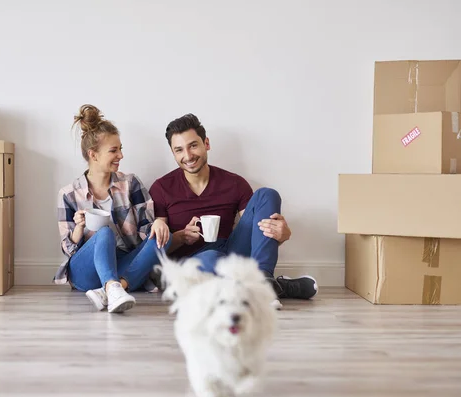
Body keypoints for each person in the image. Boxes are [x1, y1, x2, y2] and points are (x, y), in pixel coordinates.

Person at [148, 113, 318, 300]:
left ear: (206, 144)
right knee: (211, 258)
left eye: (193, 145)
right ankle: (274, 288)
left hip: (231, 253)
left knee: (267, 194)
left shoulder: (234, 183)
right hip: (192, 263)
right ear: (173, 153)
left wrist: (282, 236)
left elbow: (256, 233)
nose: (187, 156)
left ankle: (263, 278)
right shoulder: (162, 188)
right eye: (179, 150)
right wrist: (181, 237)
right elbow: (157, 249)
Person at [54, 104, 172, 313]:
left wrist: (158, 225)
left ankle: (111, 290)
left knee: (164, 236)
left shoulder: (131, 183)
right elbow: (67, 249)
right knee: (104, 233)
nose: (120, 155)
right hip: (85, 271)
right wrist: (80, 228)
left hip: (122, 263)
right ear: (94, 154)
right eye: (113, 150)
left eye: (120, 149)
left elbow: (147, 231)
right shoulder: (69, 194)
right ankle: (113, 287)